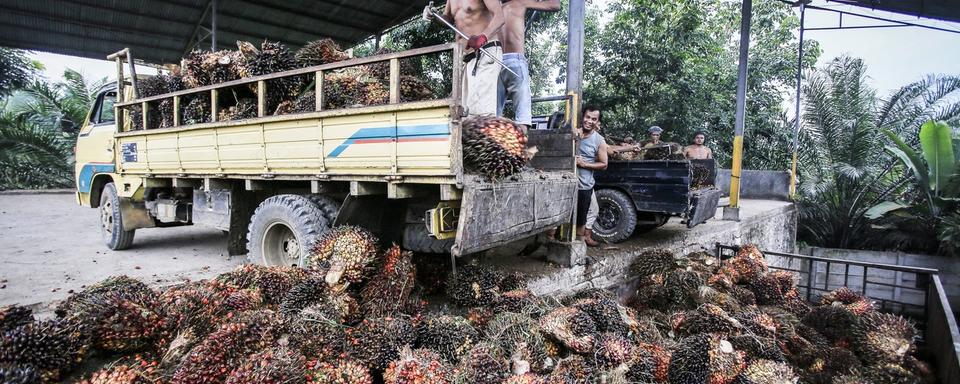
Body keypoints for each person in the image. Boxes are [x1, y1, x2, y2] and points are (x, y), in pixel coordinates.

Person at [498, 0, 561, 127]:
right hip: (515, 60)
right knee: (523, 118)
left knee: (491, 115)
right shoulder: (519, 3)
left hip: (495, 61)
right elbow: (555, 5)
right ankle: (521, 145)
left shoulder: (492, 10)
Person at [440, 0, 506, 116]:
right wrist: (435, 16)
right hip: (465, 58)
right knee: (464, 113)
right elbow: (448, 19)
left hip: (485, 52)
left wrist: (483, 37)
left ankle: (486, 133)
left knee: (481, 112)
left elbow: (500, 17)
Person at [576, 106, 608, 247]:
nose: (589, 121)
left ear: (597, 121)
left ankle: (580, 242)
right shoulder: (573, 132)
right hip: (568, 181)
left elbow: (604, 164)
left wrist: (584, 165)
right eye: (587, 117)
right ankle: (551, 239)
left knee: (582, 216)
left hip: (584, 184)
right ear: (583, 116)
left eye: (593, 119)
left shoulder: (599, 140)